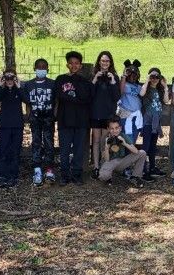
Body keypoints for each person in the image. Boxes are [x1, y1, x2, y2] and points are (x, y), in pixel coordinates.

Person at [55, 51, 94, 186]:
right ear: (67, 65)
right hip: (64, 120)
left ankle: (77, 174)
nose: (74, 66)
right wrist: (77, 98)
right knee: (64, 150)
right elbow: (60, 95)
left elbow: (87, 98)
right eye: (71, 63)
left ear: (81, 65)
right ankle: (64, 175)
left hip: (81, 121)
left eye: (77, 63)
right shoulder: (60, 79)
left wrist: (74, 96)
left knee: (78, 149)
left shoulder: (85, 82)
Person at [21, 58, 56, 187]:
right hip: (35, 118)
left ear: (48, 69)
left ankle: (49, 170)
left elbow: (56, 100)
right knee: (36, 143)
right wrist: (29, 115)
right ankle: (37, 170)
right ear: (34, 69)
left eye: (44, 67)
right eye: (39, 67)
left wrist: (55, 114)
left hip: (48, 118)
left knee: (49, 143)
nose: (41, 69)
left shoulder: (52, 84)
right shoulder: (29, 85)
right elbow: (27, 102)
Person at [89, 51, 121, 179]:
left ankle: (104, 165)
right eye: (102, 61)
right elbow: (89, 95)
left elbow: (117, 97)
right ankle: (96, 166)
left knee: (105, 141)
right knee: (96, 141)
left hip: (108, 115)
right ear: (99, 62)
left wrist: (113, 81)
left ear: (110, 63)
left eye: (107, 61)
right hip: (96, 113)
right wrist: (95, 79)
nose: (105, 63)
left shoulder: (114, 77)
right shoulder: (93, 75)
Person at [139, 67, 171, 180]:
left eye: (157, 77)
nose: (154, 79)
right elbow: (141, 94)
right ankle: (143, 170)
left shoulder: (160, 90)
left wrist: (166, 87)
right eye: (152, 77)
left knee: (153, 147)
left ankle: (152, 168)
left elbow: (166, 101)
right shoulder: (146, 90)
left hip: (156, 123)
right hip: (148, 122)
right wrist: (147, 80)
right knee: (145, 147)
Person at [0, 69, 23, 188]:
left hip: (17, 125)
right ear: (4, 80)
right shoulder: (2, 90)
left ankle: (13, 176)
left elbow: (26, 100)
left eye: (12, 78)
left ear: (15, 79)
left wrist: (19, 87)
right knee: (3, 151)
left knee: (15, 151)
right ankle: (2, 175)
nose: (9, 81)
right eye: (7, 79)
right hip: (5, 126)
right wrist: (0, 86)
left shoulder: (18, 90)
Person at [98, 116, 147, 188]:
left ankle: (135, 177)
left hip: (121, 161)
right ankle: (108, 178)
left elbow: (136, 151)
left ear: (120, 128)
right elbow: (106, 159)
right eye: (112, 128)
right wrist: (106, 147)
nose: (114, 131)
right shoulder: (105, 138)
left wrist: (124, 143)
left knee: (142, 153)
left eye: (116, 128)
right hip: (110, 162)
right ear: (108, 129)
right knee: (103, 176)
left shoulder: (123, 136)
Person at [117, 59, 143, 143]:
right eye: (130, 74)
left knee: (133, 139)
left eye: (135, 74)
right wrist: (124, 76)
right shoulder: (123, 84)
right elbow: (120, 91)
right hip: (126, 115)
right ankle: (126, 155)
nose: (132, 76)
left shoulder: (138, 87)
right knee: (127, 139)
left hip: (136, 116)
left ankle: (131, 155)